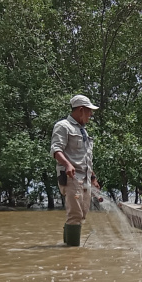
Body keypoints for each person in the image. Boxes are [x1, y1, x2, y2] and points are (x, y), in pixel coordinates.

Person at [51, 95, 100, 246]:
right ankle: (72, 254)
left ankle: (67, 246)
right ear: (80, 110)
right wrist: (67, 164)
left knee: (81, 215)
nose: (91, 115)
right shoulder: (63, 126)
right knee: (75, 215)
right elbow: (56, 149)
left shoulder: (83, 131)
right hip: (71, 177)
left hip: (84, 179)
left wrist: (93, 178)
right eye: (89, 111)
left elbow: (85, 158)